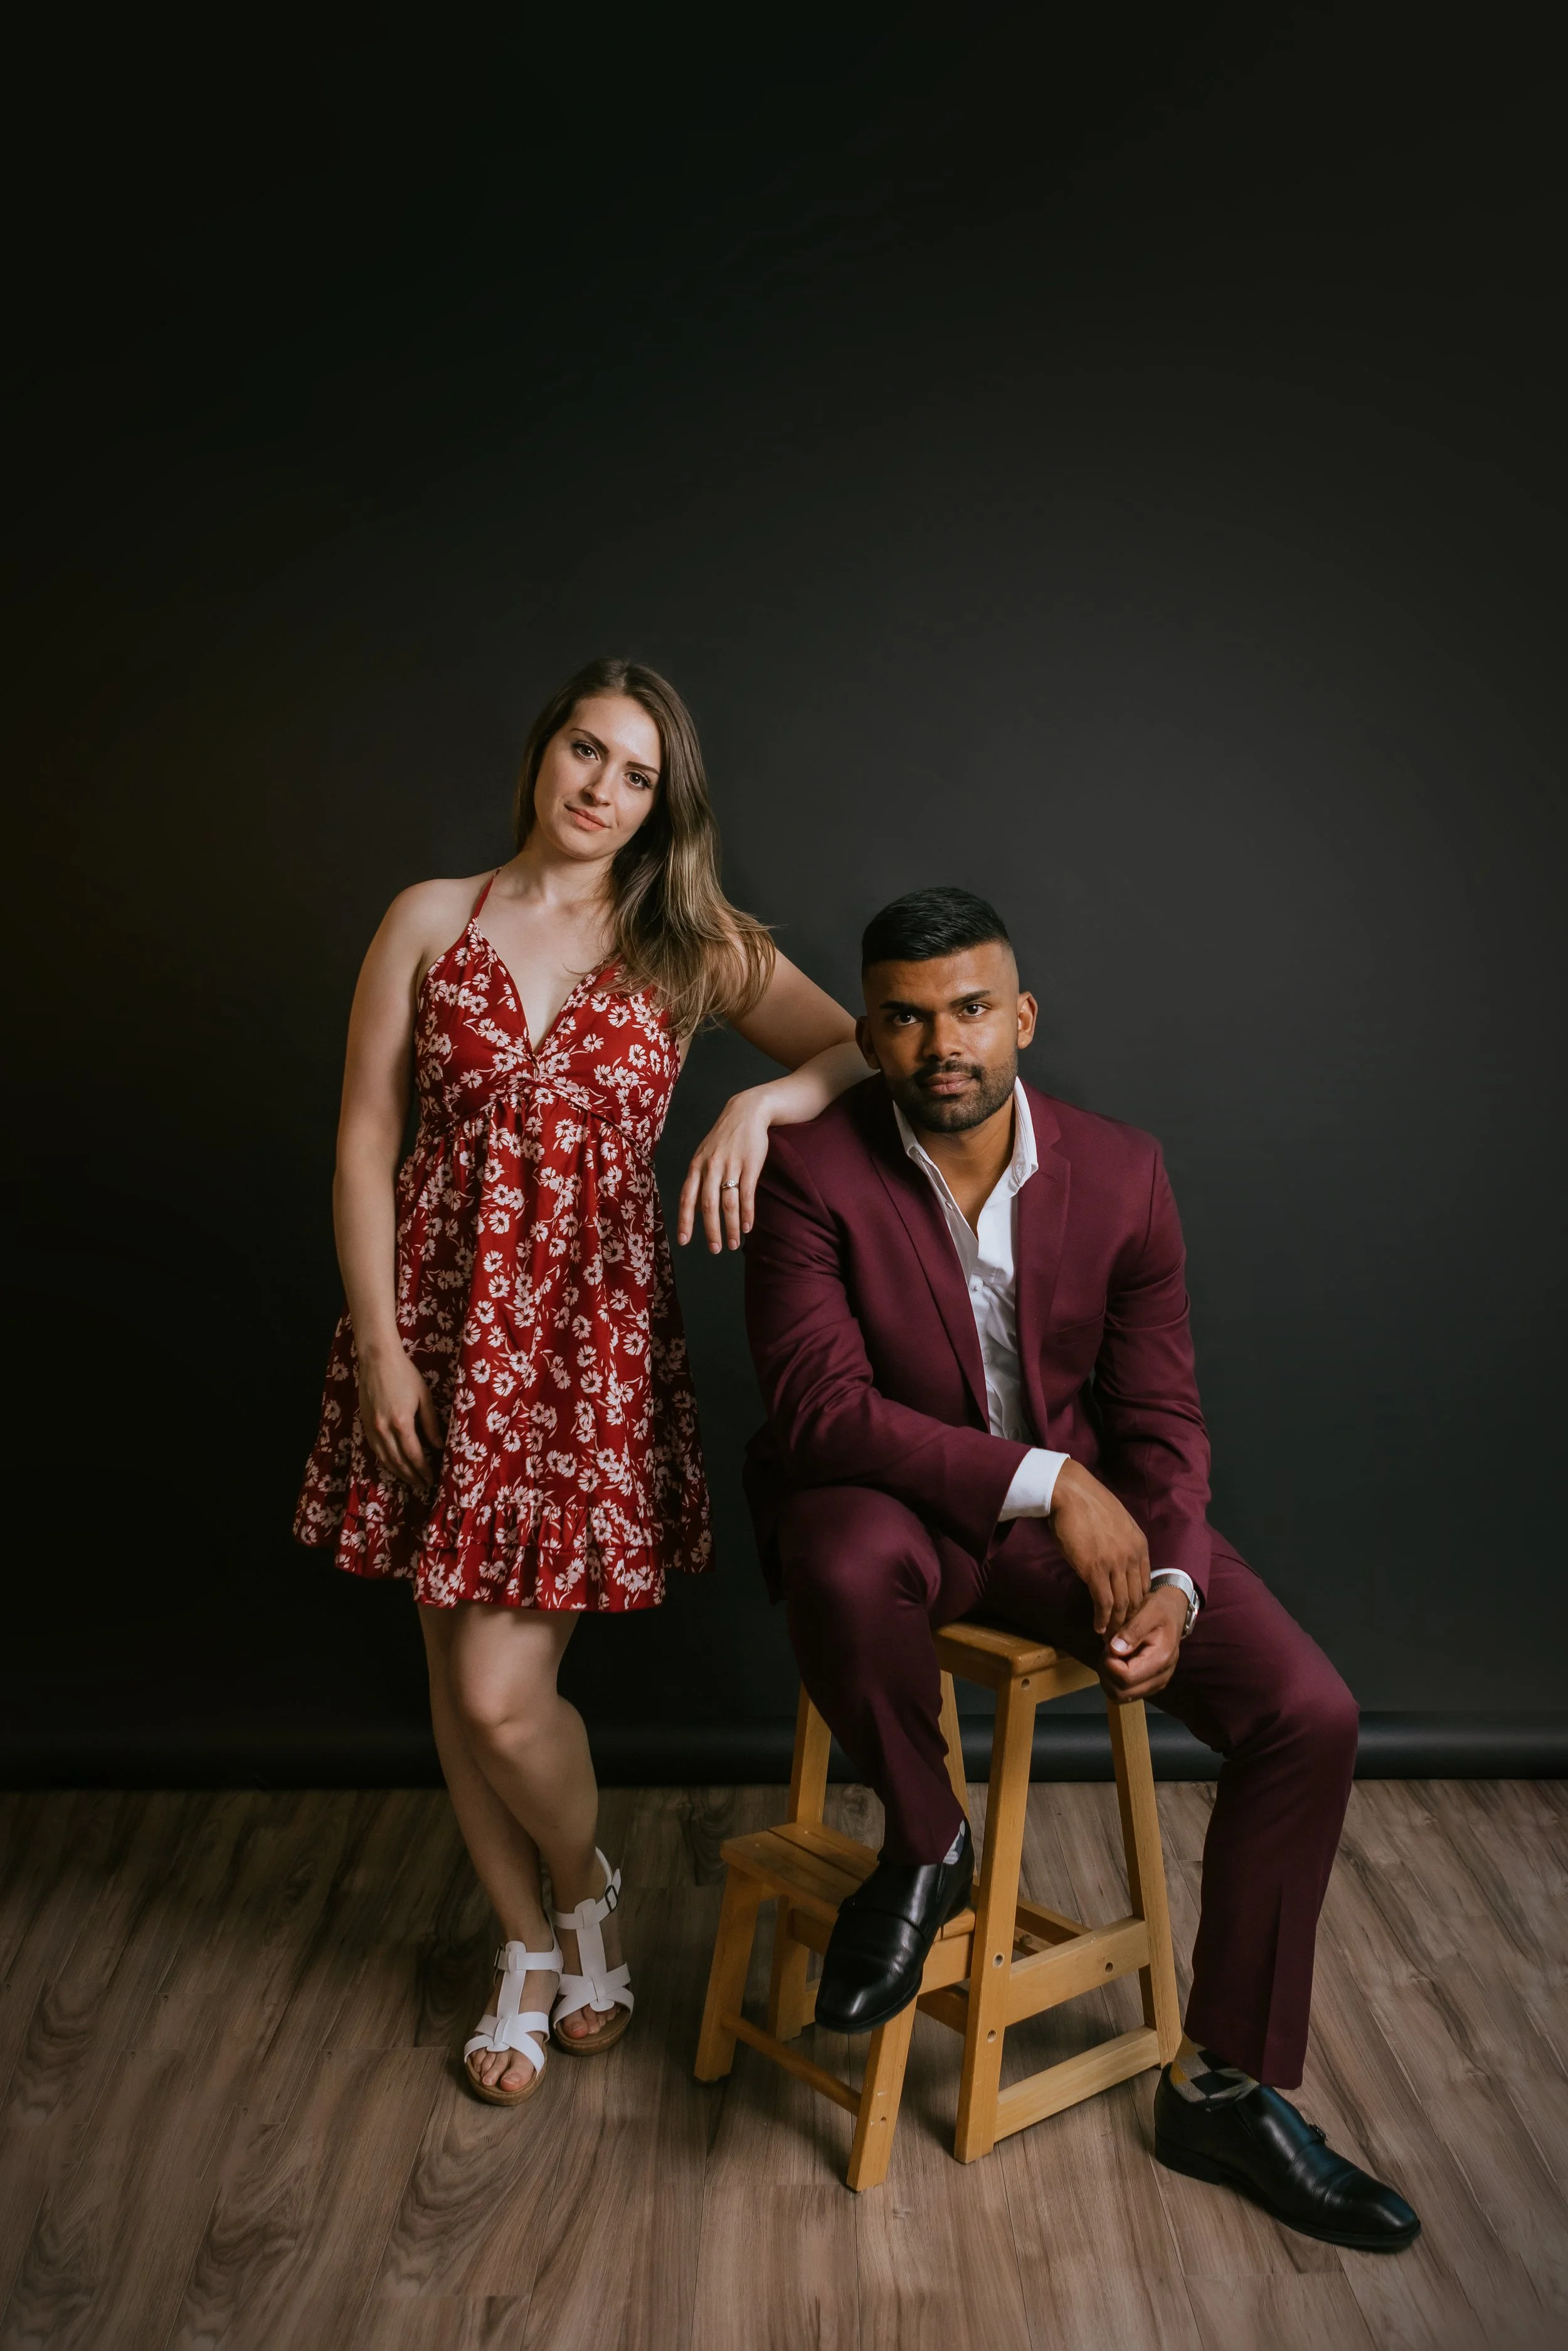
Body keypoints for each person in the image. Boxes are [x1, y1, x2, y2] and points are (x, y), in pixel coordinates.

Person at [741, 884, 1421, 2251]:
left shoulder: (1123, 1171)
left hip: (1088, 1537)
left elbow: (1161, 1418)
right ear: (868, 1035)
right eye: (907, 1016)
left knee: (1308, 1713)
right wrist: (1052, 1480)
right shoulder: (813, 1170)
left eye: (973, 1009)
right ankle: (926, 1842)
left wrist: (1170, 1579)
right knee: (836, 1540)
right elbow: (818, 1411)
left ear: (1022, 1018)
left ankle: (1221, 2084)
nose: (945, 1042)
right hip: (907, 1513)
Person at [295, 657, 863, 2106]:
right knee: (449, 1666)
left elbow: (861, 1052)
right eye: (584, 751)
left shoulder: (691, 944)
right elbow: (367, 1137)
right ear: (542, 751)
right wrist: (379, 1343)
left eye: (634, 774)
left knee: (501, 1692)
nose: (601, 790)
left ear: (661, 804)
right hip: (425, 1325)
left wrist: (762, 1093)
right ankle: (527, 1948)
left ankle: (584, 1886)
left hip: (581, 1351)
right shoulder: (432, 917)